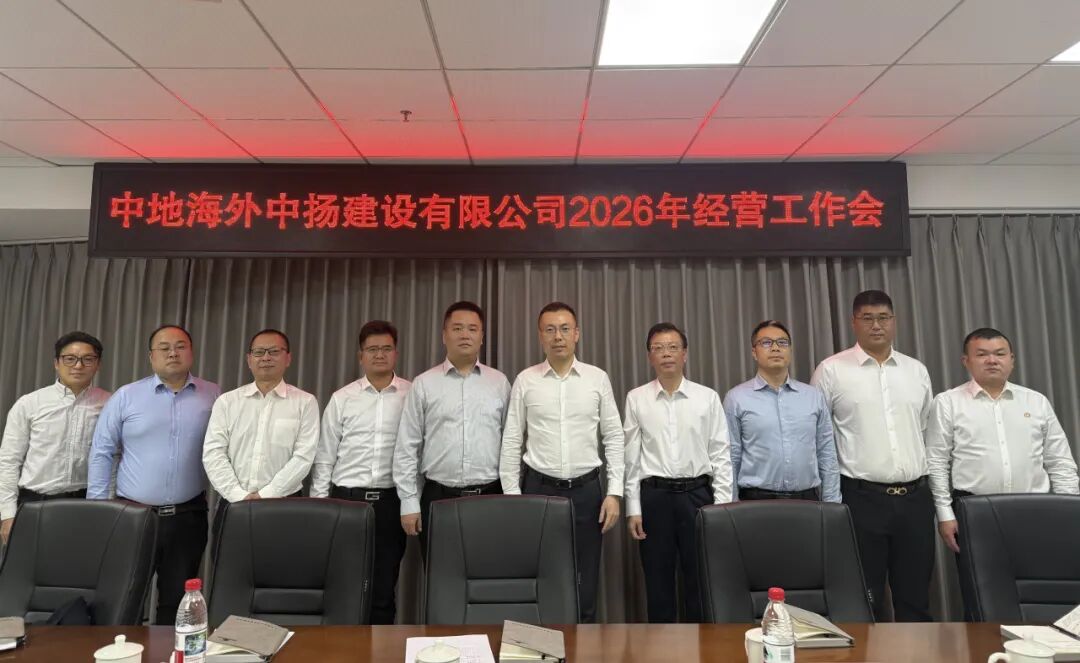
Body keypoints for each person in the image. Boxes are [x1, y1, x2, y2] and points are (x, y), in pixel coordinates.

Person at [811, 290, 934, 622]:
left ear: (894, 321)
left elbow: (924, 429)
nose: (876, 325)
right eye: (867, 318)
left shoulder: (916, 370)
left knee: (916, 597)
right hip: (860, 498)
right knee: (864, 598)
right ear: (854, 323)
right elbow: (820, 438)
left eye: (883, 318)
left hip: (915, 498)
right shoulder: (831, 370)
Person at [88, 324, 221, 624]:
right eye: (164, 347)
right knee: (125, 598)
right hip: (134, 515)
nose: (173, 353)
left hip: (188, 516)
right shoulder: (126, 396)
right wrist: (97, 509)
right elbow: (101, 452)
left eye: (180, 346)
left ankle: (167, 649)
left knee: (177, 603)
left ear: (191, 352)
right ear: (151, 356)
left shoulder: (214, 395)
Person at [500, 302, 624, 623]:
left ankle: (584, 643)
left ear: (576, 334)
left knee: (585, 579)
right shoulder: (526, 380)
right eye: (550, 330)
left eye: (565, 329)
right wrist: (513, 497)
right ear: (541, 336)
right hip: (538, 490)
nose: (558, 336)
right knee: (539, 574)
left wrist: (614, 492)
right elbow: (512, 440)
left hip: (587, 492)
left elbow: (614, 436)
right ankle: (539, 645)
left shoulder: (597, 378)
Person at [927, 327, 1079, 556]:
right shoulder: (948, 402)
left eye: (1000, 354)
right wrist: (944, 514)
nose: (992, 360)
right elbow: (936, 462)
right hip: (974, 509)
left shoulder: (1036, 402)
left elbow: (1060, 461)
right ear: (966, 361)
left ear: (1012, 360)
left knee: (1039, 575)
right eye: (982, 354)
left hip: (1035, 508)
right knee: (981, 578)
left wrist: (1069, 508)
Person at [623, 322, 732, 623]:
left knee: (701, 580)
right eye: (658, 348)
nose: (666, 354)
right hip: (654, 498)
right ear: (650, 356)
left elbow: (721, 454)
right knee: (657, 582)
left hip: (698, 497)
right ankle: (661, 646)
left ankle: (704, 646)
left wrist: (722, 507)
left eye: (673, 347)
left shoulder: (707, 397)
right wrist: (633, 508)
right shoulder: (636, 398)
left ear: (685, 354)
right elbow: (631, 458)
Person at [312, 320, 411, 625]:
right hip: (347, 501)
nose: (379, 354)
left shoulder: (412, 394)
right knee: (344, 584)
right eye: (372, 349)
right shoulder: (343, 398)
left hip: (392, 502)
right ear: (361, 356)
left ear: (396, 353)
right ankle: (343, 647)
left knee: (383, 587)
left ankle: (381, 647)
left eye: (386, 348)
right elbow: (325, 456)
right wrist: (320, 505)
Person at [394, 301, 510, 555]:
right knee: (439, 573)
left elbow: (511, 443)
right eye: (457, 328)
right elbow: (407, 445)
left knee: (490, 572)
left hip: (490, 497)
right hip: (439, 498)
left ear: (482, 337)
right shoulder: (424, 384)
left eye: (472, 329)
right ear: (444, 335)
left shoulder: (499, 383)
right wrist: (409, 502)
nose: (465, 335)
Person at [202, 329, 318, 535]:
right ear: (249, 359)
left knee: (284, 557)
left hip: (285, 504)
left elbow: (304, 457)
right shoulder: (227, 402)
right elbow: (213, 453)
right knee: (230, 557)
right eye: (259, 352)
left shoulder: (305, 402)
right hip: (233, 502)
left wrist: (267, 495)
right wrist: (238, 495)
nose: (266, 357)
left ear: (288, 358)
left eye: (274, 351)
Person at [0, 331, 110, 545]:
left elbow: (115, 458)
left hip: (87, 504)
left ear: (98, 364)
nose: (78, 365)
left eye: (88, 359)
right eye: (70, 358)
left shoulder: (110, 403)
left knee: (80, 564)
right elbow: (8, 462)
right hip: (34, 503)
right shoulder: (29, 404)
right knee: (28, 565)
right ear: (56, 363)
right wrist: (7, 514)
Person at [724, 320, 839, 502]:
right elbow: (731, 457)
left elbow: (826, 454)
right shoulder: (736, 398)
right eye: (766, 343)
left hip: (807, 501)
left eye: (782, 342)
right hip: (755, 502)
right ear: (754, 352)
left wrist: (832, 503)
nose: (776, 348)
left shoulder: (813, 397)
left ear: (790, 350)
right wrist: (731, 504)